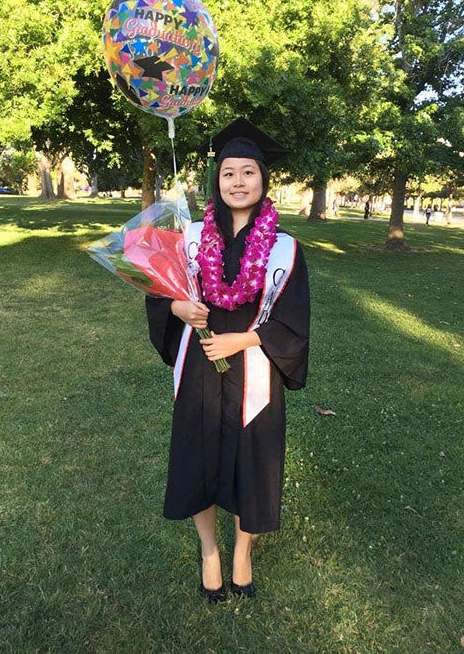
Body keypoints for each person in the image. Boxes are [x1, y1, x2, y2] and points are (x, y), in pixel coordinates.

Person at [145, 118, 311, 603]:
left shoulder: (284, 248)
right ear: (216, 182)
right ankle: (209, 553)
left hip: (255, 369)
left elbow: (294, 321)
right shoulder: (191, 236)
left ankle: (242, 552)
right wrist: (178, 307)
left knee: (252, 465)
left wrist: (242, 340)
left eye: (248, 173)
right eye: (228, 173)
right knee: (198, 457)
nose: (238, 182)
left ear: (263, 180)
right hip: (199, 365)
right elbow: (160, 293)